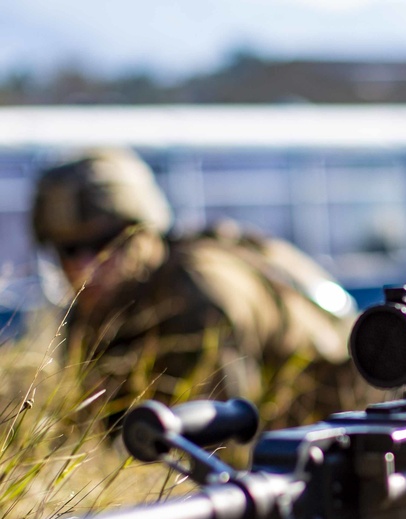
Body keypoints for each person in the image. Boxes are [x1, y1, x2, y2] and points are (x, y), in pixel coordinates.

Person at [31, 147, 368, 430]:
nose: (86, 265)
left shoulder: (198, 292)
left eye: (106, 241)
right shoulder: (91, 312)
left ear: (145, 231)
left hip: (343, 426)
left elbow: (228, 443)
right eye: (69, 250)